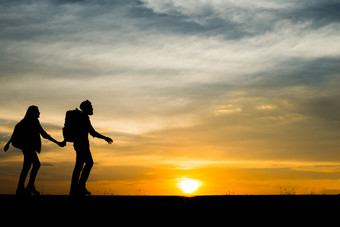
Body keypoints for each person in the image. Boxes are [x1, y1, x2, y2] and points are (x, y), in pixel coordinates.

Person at [3, 105, 66, 195]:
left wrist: (8, 144)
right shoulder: (29, 122)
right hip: (27, 147)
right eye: (37, 111)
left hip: (28, 147)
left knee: (27, 166)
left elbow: (43, 134)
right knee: (35, 164)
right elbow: (16, 132)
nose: (39, 113)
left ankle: (22, 187)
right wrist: (58, 143)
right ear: (32, 113)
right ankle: (28, 186)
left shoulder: (32, 121)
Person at [69, 100, 113, 196]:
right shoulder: (83, 118)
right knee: (87, 163)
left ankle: (75, 188)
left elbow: (91, 132)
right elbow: (92, 132)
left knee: (80, 165)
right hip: (82, 144)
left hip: (80, 144)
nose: (92, 108)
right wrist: (105, 138)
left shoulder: (83, 117)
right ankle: (79, 187)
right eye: (90, 107)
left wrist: (104, 138)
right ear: (86, 108)